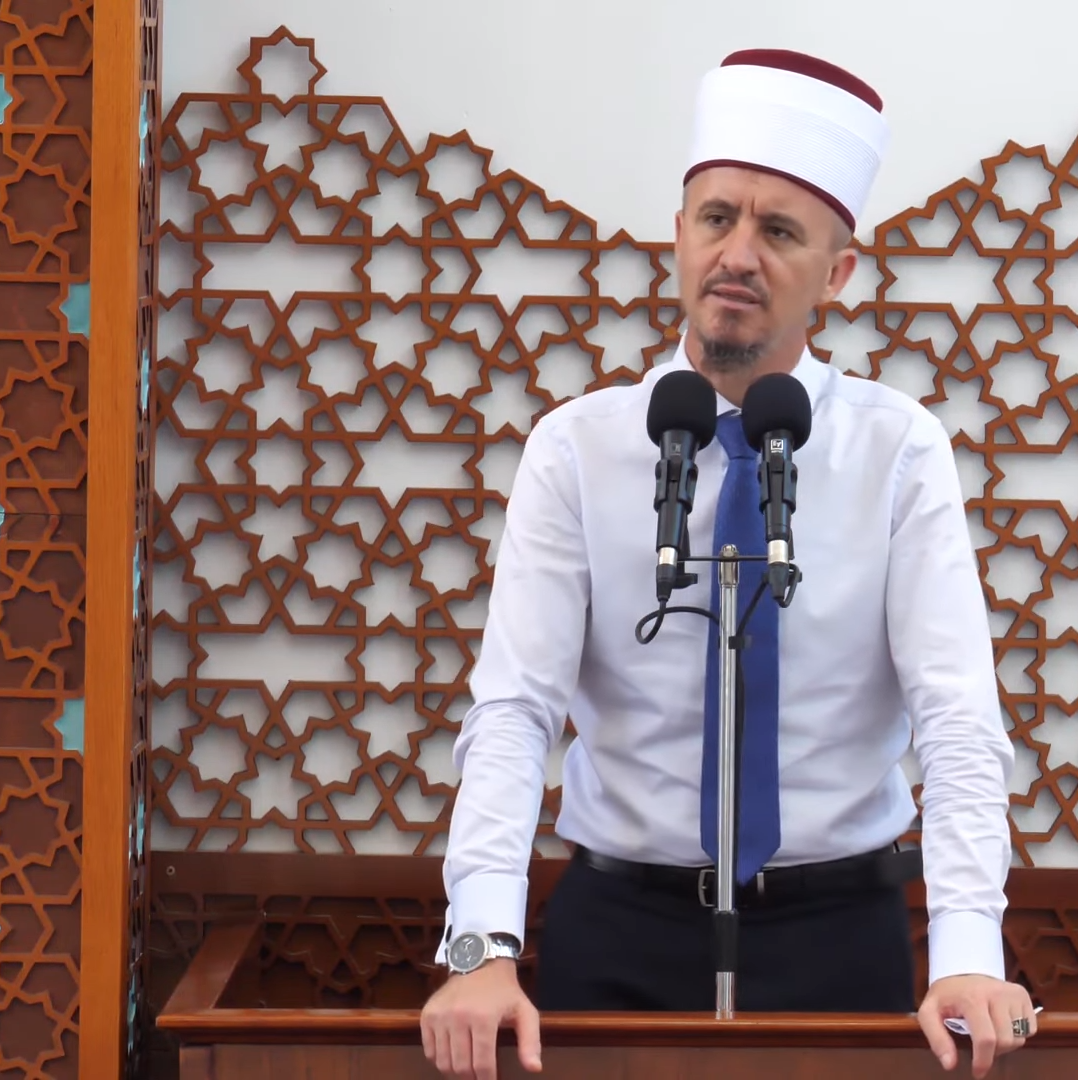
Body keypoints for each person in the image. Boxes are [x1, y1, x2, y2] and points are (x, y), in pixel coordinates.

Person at [419, 48, 1033, 1080]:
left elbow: (959, 720)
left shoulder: (897, 450)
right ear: (679, 236)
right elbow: (515, 710)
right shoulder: (577, 449)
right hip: (618, 926)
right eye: (716, 219)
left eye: (779, 231)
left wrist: (968, 951)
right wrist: (483, 947)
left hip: (840, 932)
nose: (737, 255)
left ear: (837, 273)